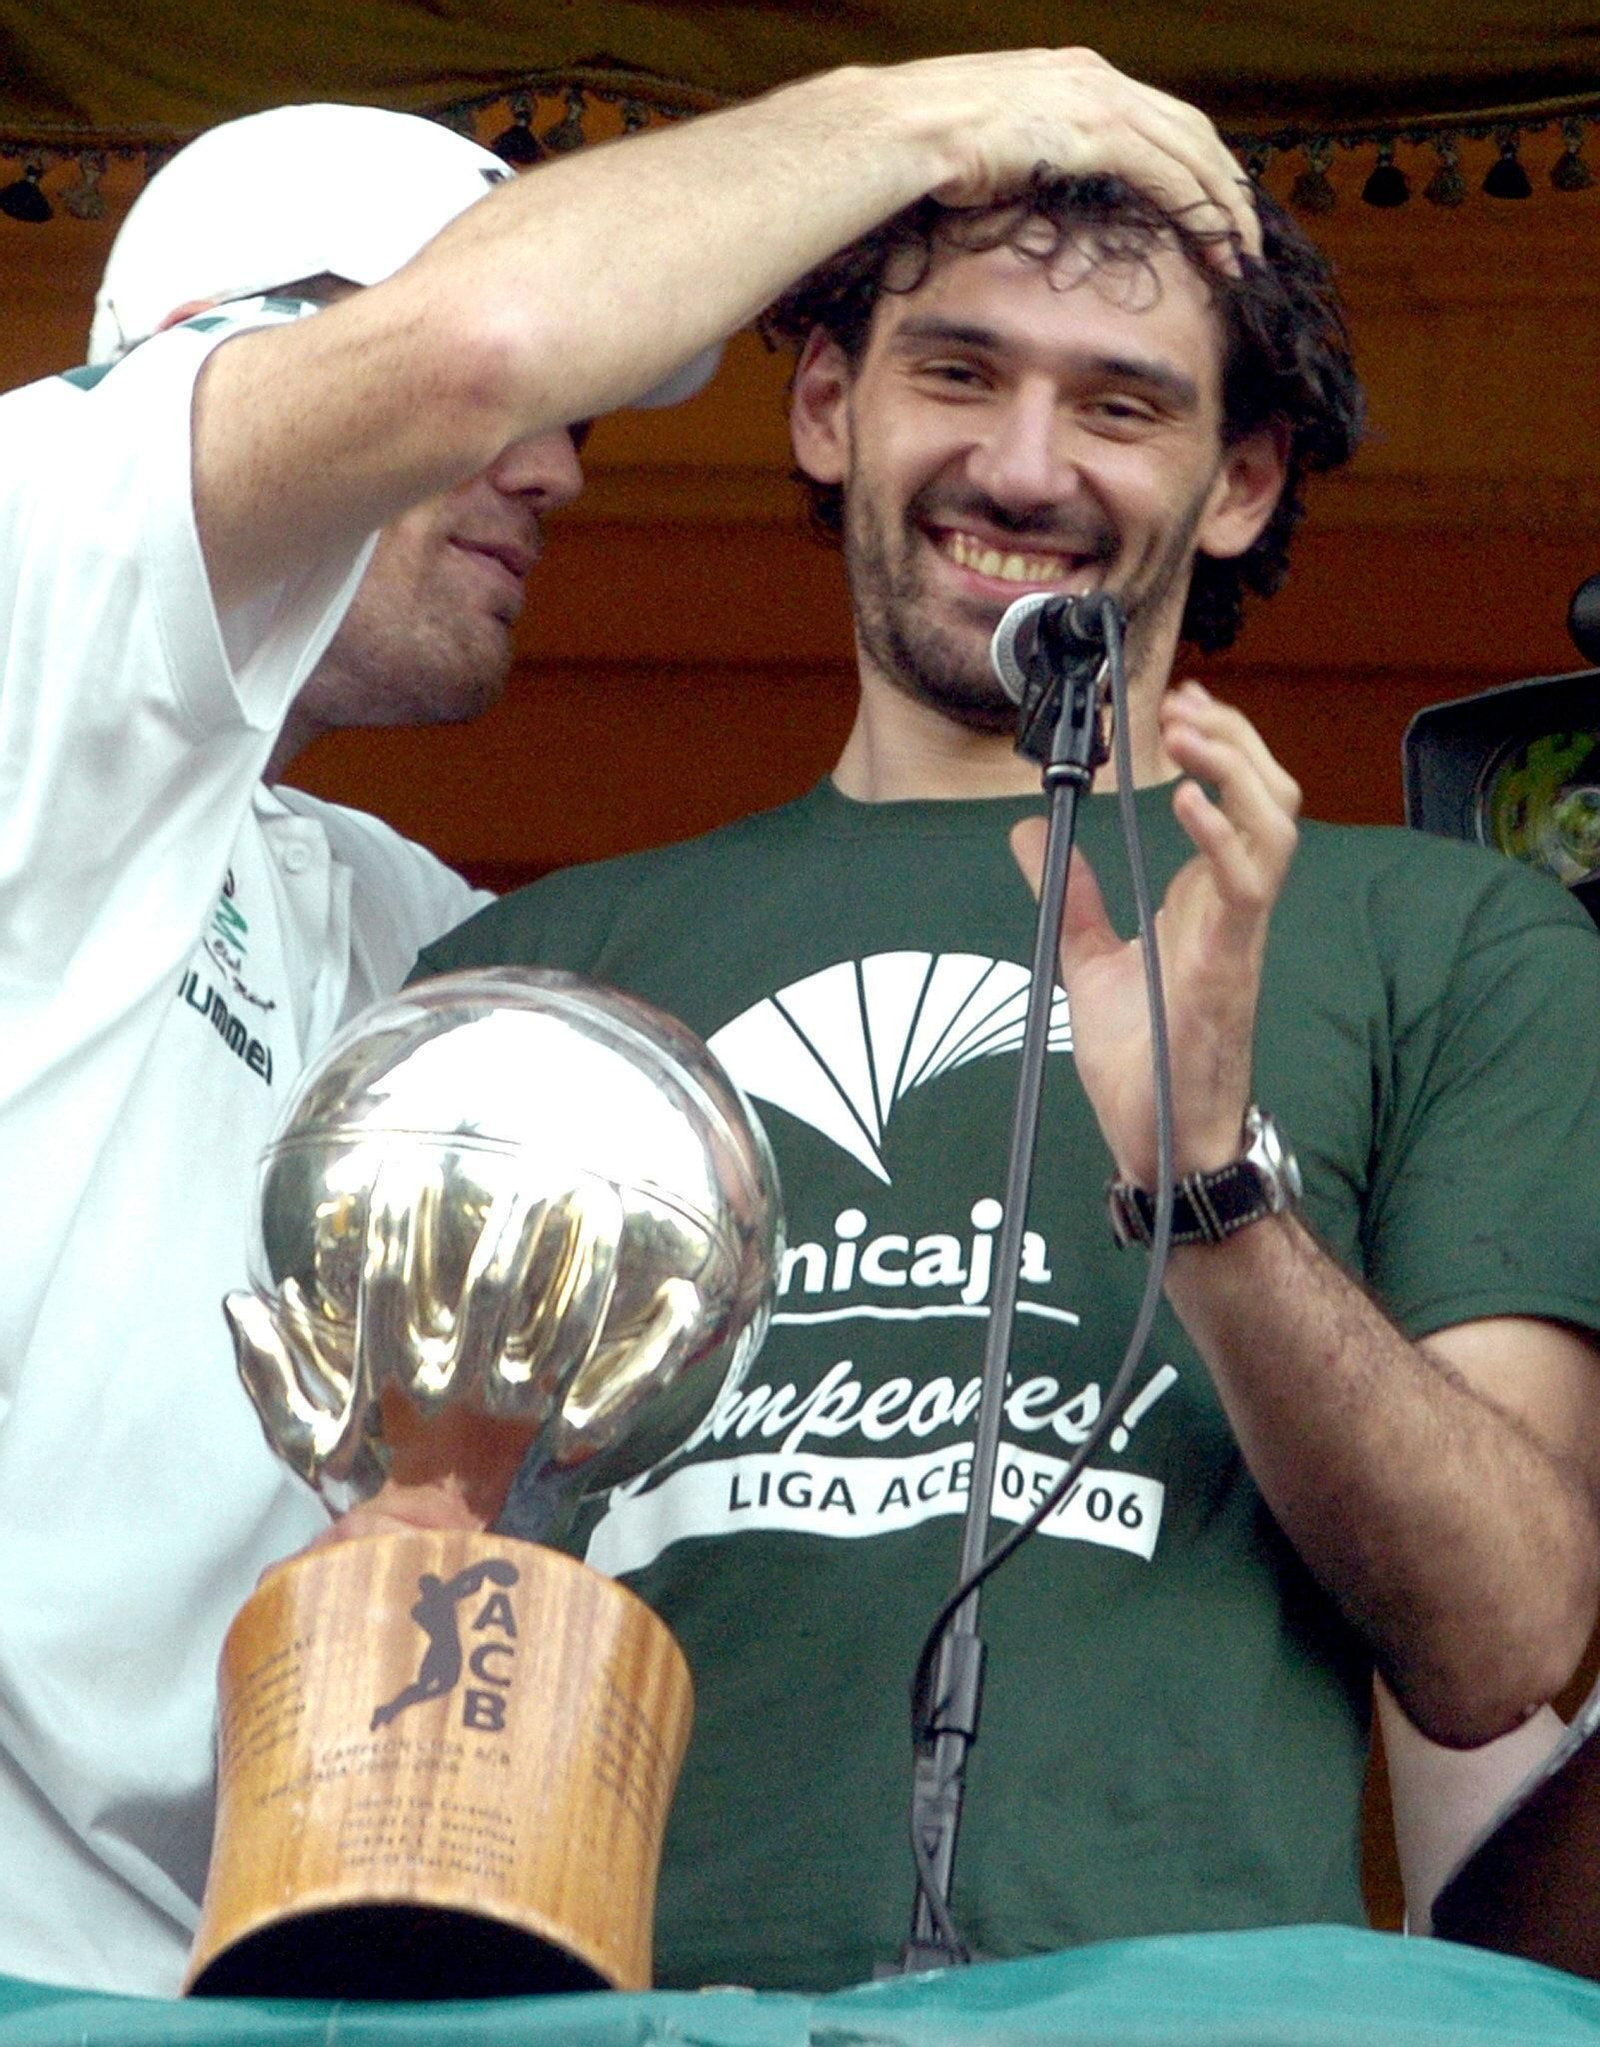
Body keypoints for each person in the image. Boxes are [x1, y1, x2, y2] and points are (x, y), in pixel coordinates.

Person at [0, 52, 1263, 1996]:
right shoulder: (37, 569)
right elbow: (483, 336)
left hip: (231, 1975)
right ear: (249, 377)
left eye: (567, 423)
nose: (553, 468)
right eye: (515, 415)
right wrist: (936, 115)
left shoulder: (380, 915)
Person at [416, 160, 1600, 1988]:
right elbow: (404, 1602)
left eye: (1122, 407)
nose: (1029, 467)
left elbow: (1504, 1639)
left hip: (1181, 2021)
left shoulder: (1437, 935)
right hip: (597, 2016)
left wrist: (1209, 1187)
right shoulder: (538, 966)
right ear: (829, 408)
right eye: (959, 375)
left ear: (1245, 482)